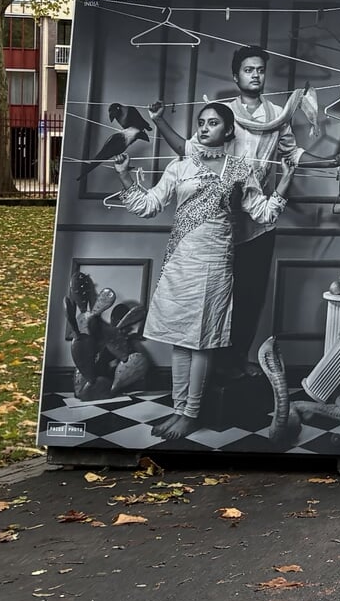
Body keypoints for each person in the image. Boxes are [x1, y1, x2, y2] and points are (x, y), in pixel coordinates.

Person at [128, 103, 283, 439]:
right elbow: (148, 206)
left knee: (201, 339)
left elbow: (264, 213)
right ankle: (179, 408)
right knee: (180, 338)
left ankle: (191, 413)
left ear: (229, 131)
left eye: (213, 123)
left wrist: (286, 180)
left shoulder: (242, 169)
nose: (204, 128)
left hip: (214, 263)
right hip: (180, 261)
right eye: (200, 123)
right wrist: (125, 175)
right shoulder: (179, 166)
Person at [152, 45, 305, 375]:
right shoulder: (220, 113)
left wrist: (331, 163)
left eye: (260, 69)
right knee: (215, 297)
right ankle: (210, 368)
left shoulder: (279, 115)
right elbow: (191, 149)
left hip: (259, 220)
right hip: (217, 222)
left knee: (251, 296)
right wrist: (159, 120)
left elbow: (294, 157)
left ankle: (237, 362)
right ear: (236, 76)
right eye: (248, 69)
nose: (255, 75)